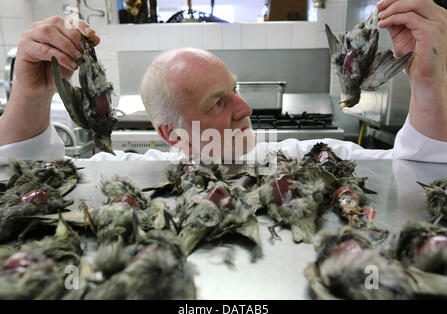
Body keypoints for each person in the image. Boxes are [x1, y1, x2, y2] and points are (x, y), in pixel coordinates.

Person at [0, 0, 446, 165]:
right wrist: (30, 91)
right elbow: (19, 169)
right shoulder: (140, 173)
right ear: (171, 135)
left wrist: (429, 83)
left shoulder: (302, 159)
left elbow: (421, 167)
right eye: (218, 102)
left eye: (235, 88)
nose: (246, 107)